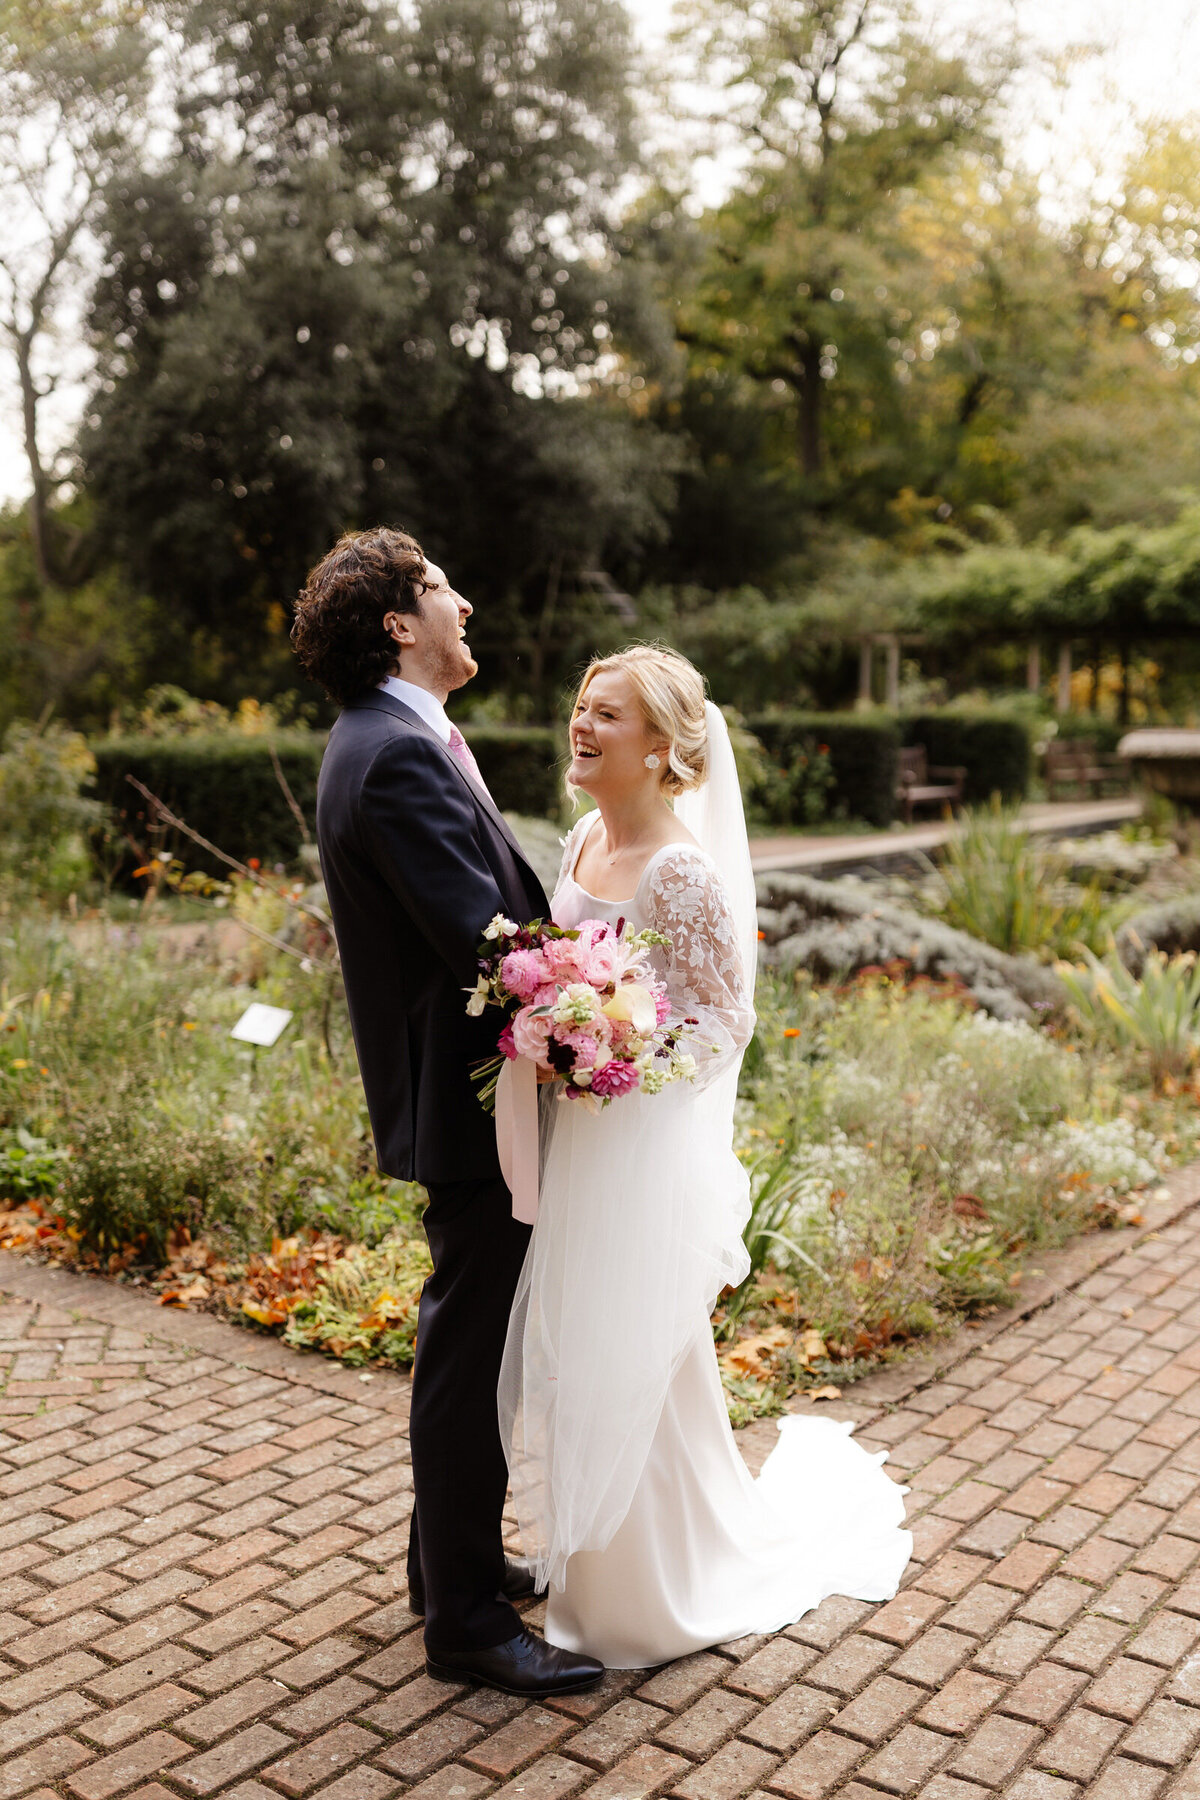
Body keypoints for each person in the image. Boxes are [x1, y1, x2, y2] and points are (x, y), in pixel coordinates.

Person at [499, 645, 912, 1668]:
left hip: (633, 1145)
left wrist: (617, 1059)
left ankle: (649, 1592)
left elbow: (728, 1018)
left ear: (663, 748)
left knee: (632, 1351)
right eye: (581, 706)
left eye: (608, 715)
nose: (582, 727)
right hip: (574, 1139)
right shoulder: (586, 837)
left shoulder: (681, 869)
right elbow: (563, 967)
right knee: (585, 1350)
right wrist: (556, 1027)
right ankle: (609, 1561)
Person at [292, 526, 603, 1697]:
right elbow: (478, 940)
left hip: (471, 1095)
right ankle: (467, 1623)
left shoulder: (391, 738)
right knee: (465, 1360)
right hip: (474, 1102)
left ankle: (446, 1564)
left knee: (464, 1346)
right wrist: (601, 1006)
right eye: (441, 590)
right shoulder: (394, 752)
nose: (464, 603)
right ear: (397, 623)